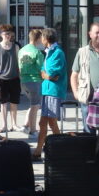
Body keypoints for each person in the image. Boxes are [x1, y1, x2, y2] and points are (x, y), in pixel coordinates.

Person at [71, 21, 99, 133]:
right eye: (97, 32)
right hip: (87, 99)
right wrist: (76, 93)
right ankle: (89, 150)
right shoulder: (82, 52)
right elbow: (74, 75)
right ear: (90, 34)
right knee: (88, 131)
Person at [35, 27, 67, 160]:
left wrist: (46, 75)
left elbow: (54, 75)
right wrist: (46, 75)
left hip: (54, 91)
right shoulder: (48, 52)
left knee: (51, 123)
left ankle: (60, 149)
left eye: (42, 37)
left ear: (46, 38)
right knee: (43, 123)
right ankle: (38, 151)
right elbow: (43, 71)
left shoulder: (58, 52)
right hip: (47, 90)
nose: (41, 39)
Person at [0, 24, 23, 133]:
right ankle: (5, 125)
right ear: (1, 35)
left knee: (14, 102)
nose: (8, 36)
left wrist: (21, 78)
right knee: (3, 103)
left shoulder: (16, 47)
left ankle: (14, 124)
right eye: (6, 34)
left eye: (9, 34)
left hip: (14, 78)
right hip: (2, 79)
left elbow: (19, 63)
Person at [18, 29, 45, 138]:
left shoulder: (22, 50)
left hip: (24, 81)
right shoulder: (37, 52)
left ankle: (26, 125)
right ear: (38, 38)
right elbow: (41, 69)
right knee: (35, 106)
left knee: (33, 104)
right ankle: (33, 131)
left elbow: (19, 67)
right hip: (35, 81)